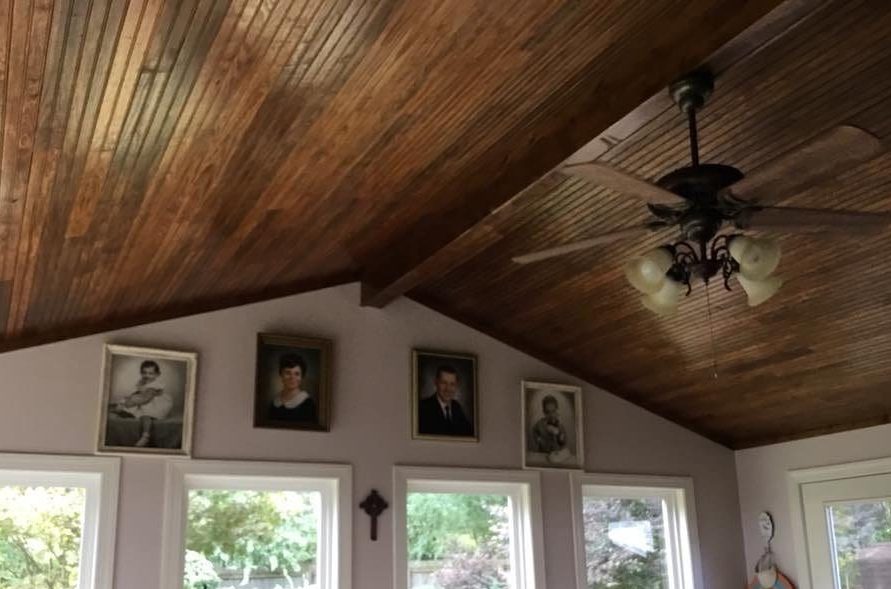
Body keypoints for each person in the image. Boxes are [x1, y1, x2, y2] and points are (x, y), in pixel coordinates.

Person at [111, 360, 174, 447]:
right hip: (145, 399)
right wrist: (130, 398)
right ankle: (123, 411)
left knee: (145, 416)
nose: (147, 375)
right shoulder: (142, 382)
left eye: (150, 373)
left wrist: (129, 403)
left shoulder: (155, 385)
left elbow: (146, 399)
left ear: (157, 374)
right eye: (144, 373)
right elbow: (139, 392)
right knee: (130, 402)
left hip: (156, 404)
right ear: (141, 373)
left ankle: (145, 436)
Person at [418, 365, 473, 436]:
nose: (448, 389)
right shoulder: (423, 407)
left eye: (452, 384)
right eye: (444, 383)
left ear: (456, 386)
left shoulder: (457, 407)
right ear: (436, 383)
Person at [269, 354, 317, 423]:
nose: (292, 377)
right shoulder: (275, 402)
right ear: (281, 375)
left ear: (301, 377)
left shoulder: (308, 405)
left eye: (297, 374)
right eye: (288, 373)